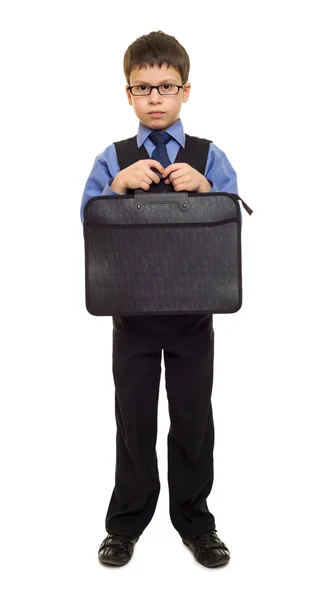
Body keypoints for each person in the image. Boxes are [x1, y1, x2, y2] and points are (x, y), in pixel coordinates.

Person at [80, 30, 238, 569]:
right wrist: (116, 188)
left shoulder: (209, 157)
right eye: (142, 87)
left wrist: (208, 190)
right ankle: (125, 525)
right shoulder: (113, 158)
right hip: (133, 315)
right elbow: (90, 224)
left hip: (194, 314)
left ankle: (196, 522)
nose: (154, 97)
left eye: (165, 86)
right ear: (128, 94)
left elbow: (230, 224)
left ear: (185, 91)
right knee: (134, 421)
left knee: (193, 419)